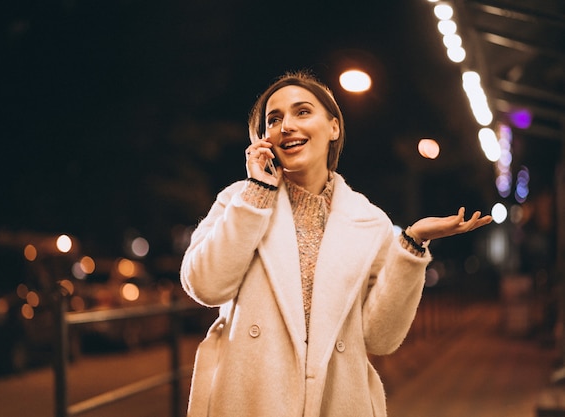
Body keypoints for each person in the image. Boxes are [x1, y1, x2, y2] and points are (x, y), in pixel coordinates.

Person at [179, 70, 492, 417]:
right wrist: (257, 194)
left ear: (333, 128)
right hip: (251, 400)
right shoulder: (239, 200)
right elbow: (205, 286)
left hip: (338, 402)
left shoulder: (368, 222)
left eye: (302, 112)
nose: (286, 126)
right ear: (263, 138)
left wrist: (413, 243)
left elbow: (380, 338)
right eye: (274, 119)